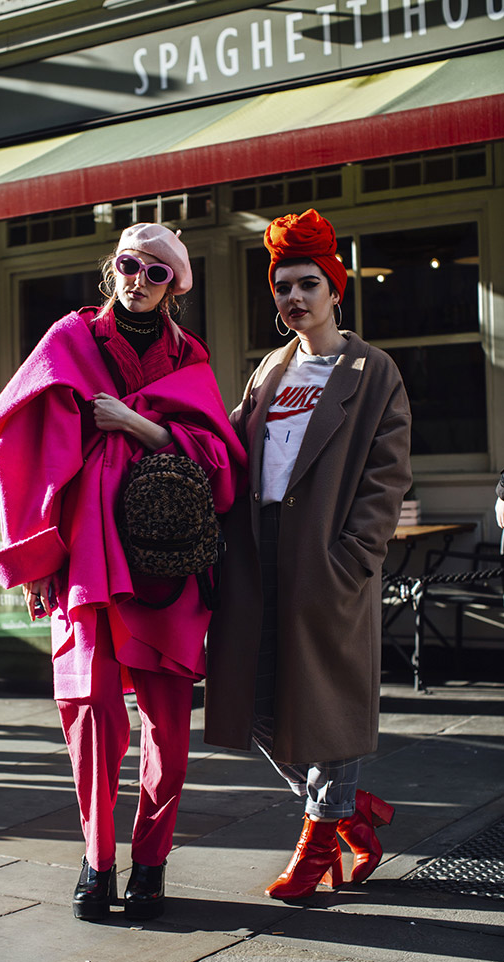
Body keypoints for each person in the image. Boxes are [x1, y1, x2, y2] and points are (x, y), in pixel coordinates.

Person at [0, 224, 247, 921]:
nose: (138, 278)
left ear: (175, 287)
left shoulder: (189, 356)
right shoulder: (70, 339)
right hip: (84, 558)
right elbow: (20, 438)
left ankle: (150, 863)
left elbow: (222, 468)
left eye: (156, 271)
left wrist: (136, 423)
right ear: (112, 269)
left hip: (167, 560)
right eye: (128, 265)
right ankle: (96, 863)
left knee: (167, 725)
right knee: (89, 713)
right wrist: (35, 550)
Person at [205, 209, 412, 901]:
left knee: (328, 705)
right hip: (256, 555)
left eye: (306, 286)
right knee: (261, 702)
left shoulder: (371, 371)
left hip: (325, 559)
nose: (292, 298)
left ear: (334, 291)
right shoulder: (270, 367)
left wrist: (353, 557)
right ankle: (353, 810)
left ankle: (317, 842)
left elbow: (386, 476)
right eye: (282, 288)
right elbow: (235, 447)